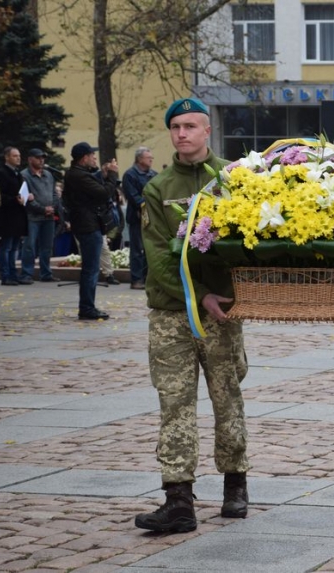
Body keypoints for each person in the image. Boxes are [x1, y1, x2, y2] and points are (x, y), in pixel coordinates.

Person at [134, 97, 250, 533]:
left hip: (223, 311)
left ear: (207, 131)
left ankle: (235, 486)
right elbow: (160, 260)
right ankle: (178, 499)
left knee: (227, 397)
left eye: (190, 126)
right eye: (175, 127)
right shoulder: (157, 188)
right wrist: (199, 296)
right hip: (171, 313)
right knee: (175, 403)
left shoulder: (234, 180)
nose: (182, 134)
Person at [62, 142, 119, 319]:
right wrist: (112, 175)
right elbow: (104, 193)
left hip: (87, 224)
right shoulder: (78, 176)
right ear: (84, 157)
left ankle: (87, 306)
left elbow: (92, 184)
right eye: (92, 155)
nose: (95, 157)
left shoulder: (77, 174)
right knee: (91, 269)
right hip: (88, 226)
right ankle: (87, 308)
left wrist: (102, 174)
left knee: (91, 268)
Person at [20, 148, 59, 283]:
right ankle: (26, 274)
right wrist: (43, 209)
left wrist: (52, 207)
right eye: (38, 158)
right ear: (30, 159)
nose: (42, 160)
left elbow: (54, 193)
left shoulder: (48, 175)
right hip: (32, 217)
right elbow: (26, 198)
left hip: (49, 217)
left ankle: (46, 274)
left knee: (47, 247)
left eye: (43, 158)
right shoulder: (24, 175)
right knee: (29, 246)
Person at [122, 146, 157, 289]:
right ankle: (136, 280)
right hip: (137, 217)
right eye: (149, 157)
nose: (151, 160)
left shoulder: (154, 174)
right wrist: (146, 204)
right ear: (140, 159)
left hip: (152, 217)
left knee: (150, 249)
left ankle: (147, 278)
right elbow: (132, 196)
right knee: (137, 249)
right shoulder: (130, 175)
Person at [0, 147, 27, 285]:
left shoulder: (17, 173)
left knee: (15, 247)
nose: (18, 158)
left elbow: (21, 191)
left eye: (19, 155)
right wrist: (15, 199)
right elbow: (0, 196)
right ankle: (6, 275)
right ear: (7, 157)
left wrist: (28, 197)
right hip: (7, 216)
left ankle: (13, 273)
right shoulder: (2, 173)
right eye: (15, 156)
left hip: (17, 215)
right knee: (7, 247)